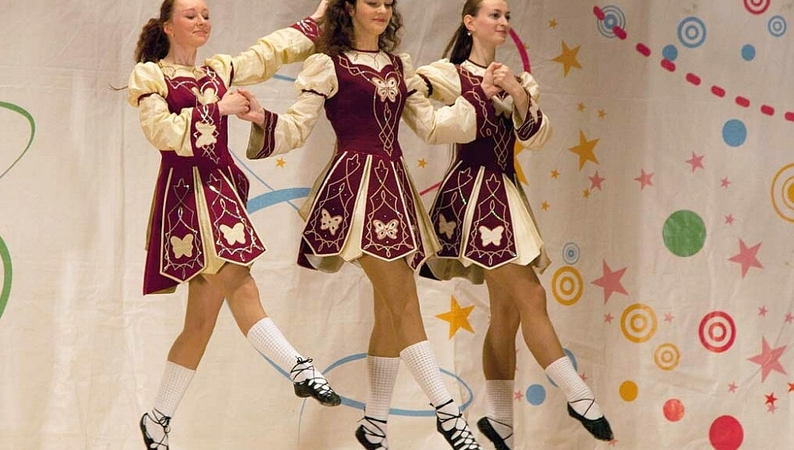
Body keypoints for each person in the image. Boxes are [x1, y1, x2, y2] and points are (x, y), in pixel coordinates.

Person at [240, 1, 502, 448]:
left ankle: (374, 427)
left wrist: (478, 96)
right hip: (353, 191)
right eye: (372, 2)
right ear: (349, 8)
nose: (382, 9)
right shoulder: (329, 64)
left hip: (393, 190)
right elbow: (298, 127)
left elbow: (433, 127)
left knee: (390, 308)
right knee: (404, 301)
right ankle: (449, 414)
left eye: (387, 3)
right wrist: (263, 118)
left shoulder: (399, 66)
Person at [126, 1, 341, 448]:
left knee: (199, 324)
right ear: (168, 26)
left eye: (206, 14)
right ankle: (298, 367)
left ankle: (157, 419)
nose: (202, 21)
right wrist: (216, 109)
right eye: (190, 15)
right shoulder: (151, 76)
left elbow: (269, 52)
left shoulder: (218, 69)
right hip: (187, 199)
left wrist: (316, 21)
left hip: (220, 193)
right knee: (240, 283)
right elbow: (161, 132)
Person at [412, 1, 614, 448]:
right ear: (470, 23)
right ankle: (578, 396)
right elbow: (414, 102)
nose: (503, 23)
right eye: (494, 15)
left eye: (507, 16)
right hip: (473, 194)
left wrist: (517, 95)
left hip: (504, 194)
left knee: (505, 312)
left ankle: (500, 421)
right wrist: (471, 95)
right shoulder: (450, 74)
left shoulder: (519, 81)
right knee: (532, 295)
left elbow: (535, 137)